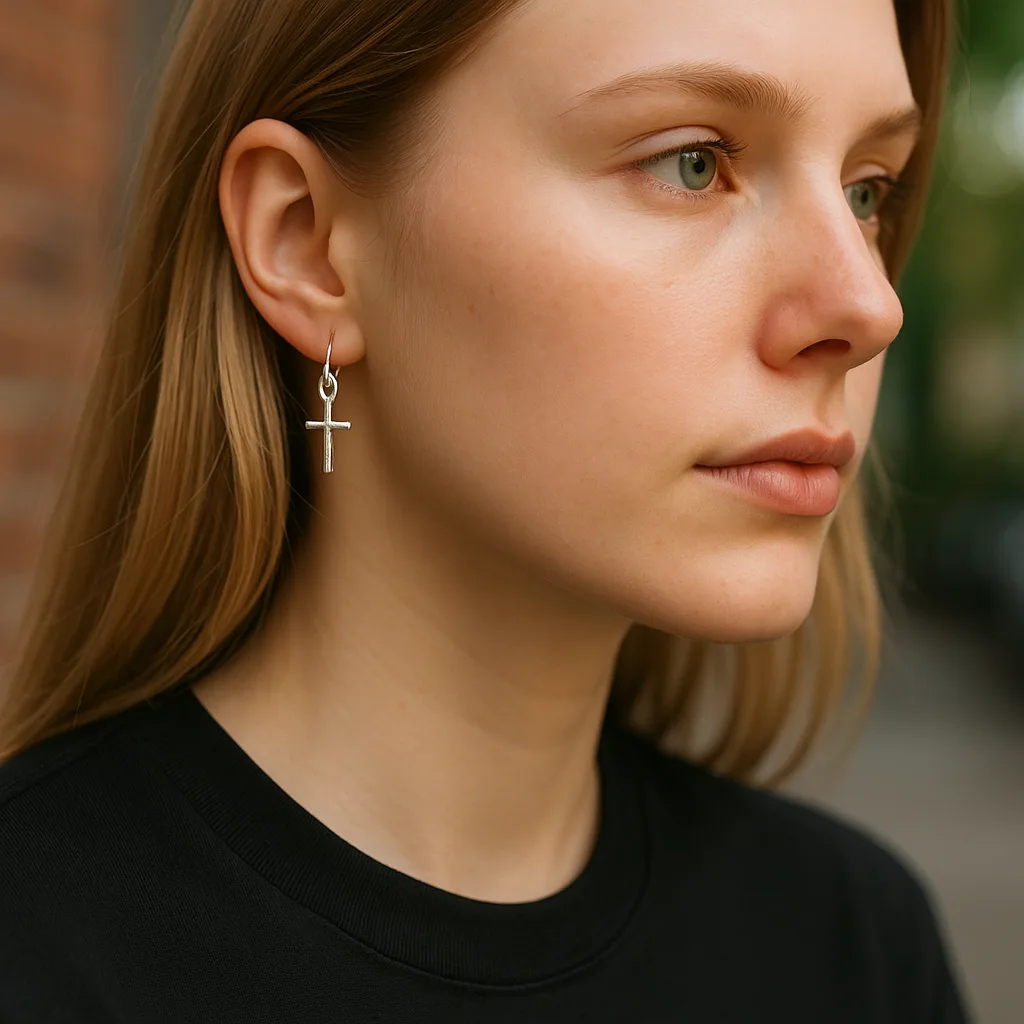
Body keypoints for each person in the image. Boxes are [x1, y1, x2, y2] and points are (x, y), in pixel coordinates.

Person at [0, 0, 971, 1019]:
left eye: (867, 188)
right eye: (693, 161)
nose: (867, 305)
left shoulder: (851, 949)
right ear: (306, 244)